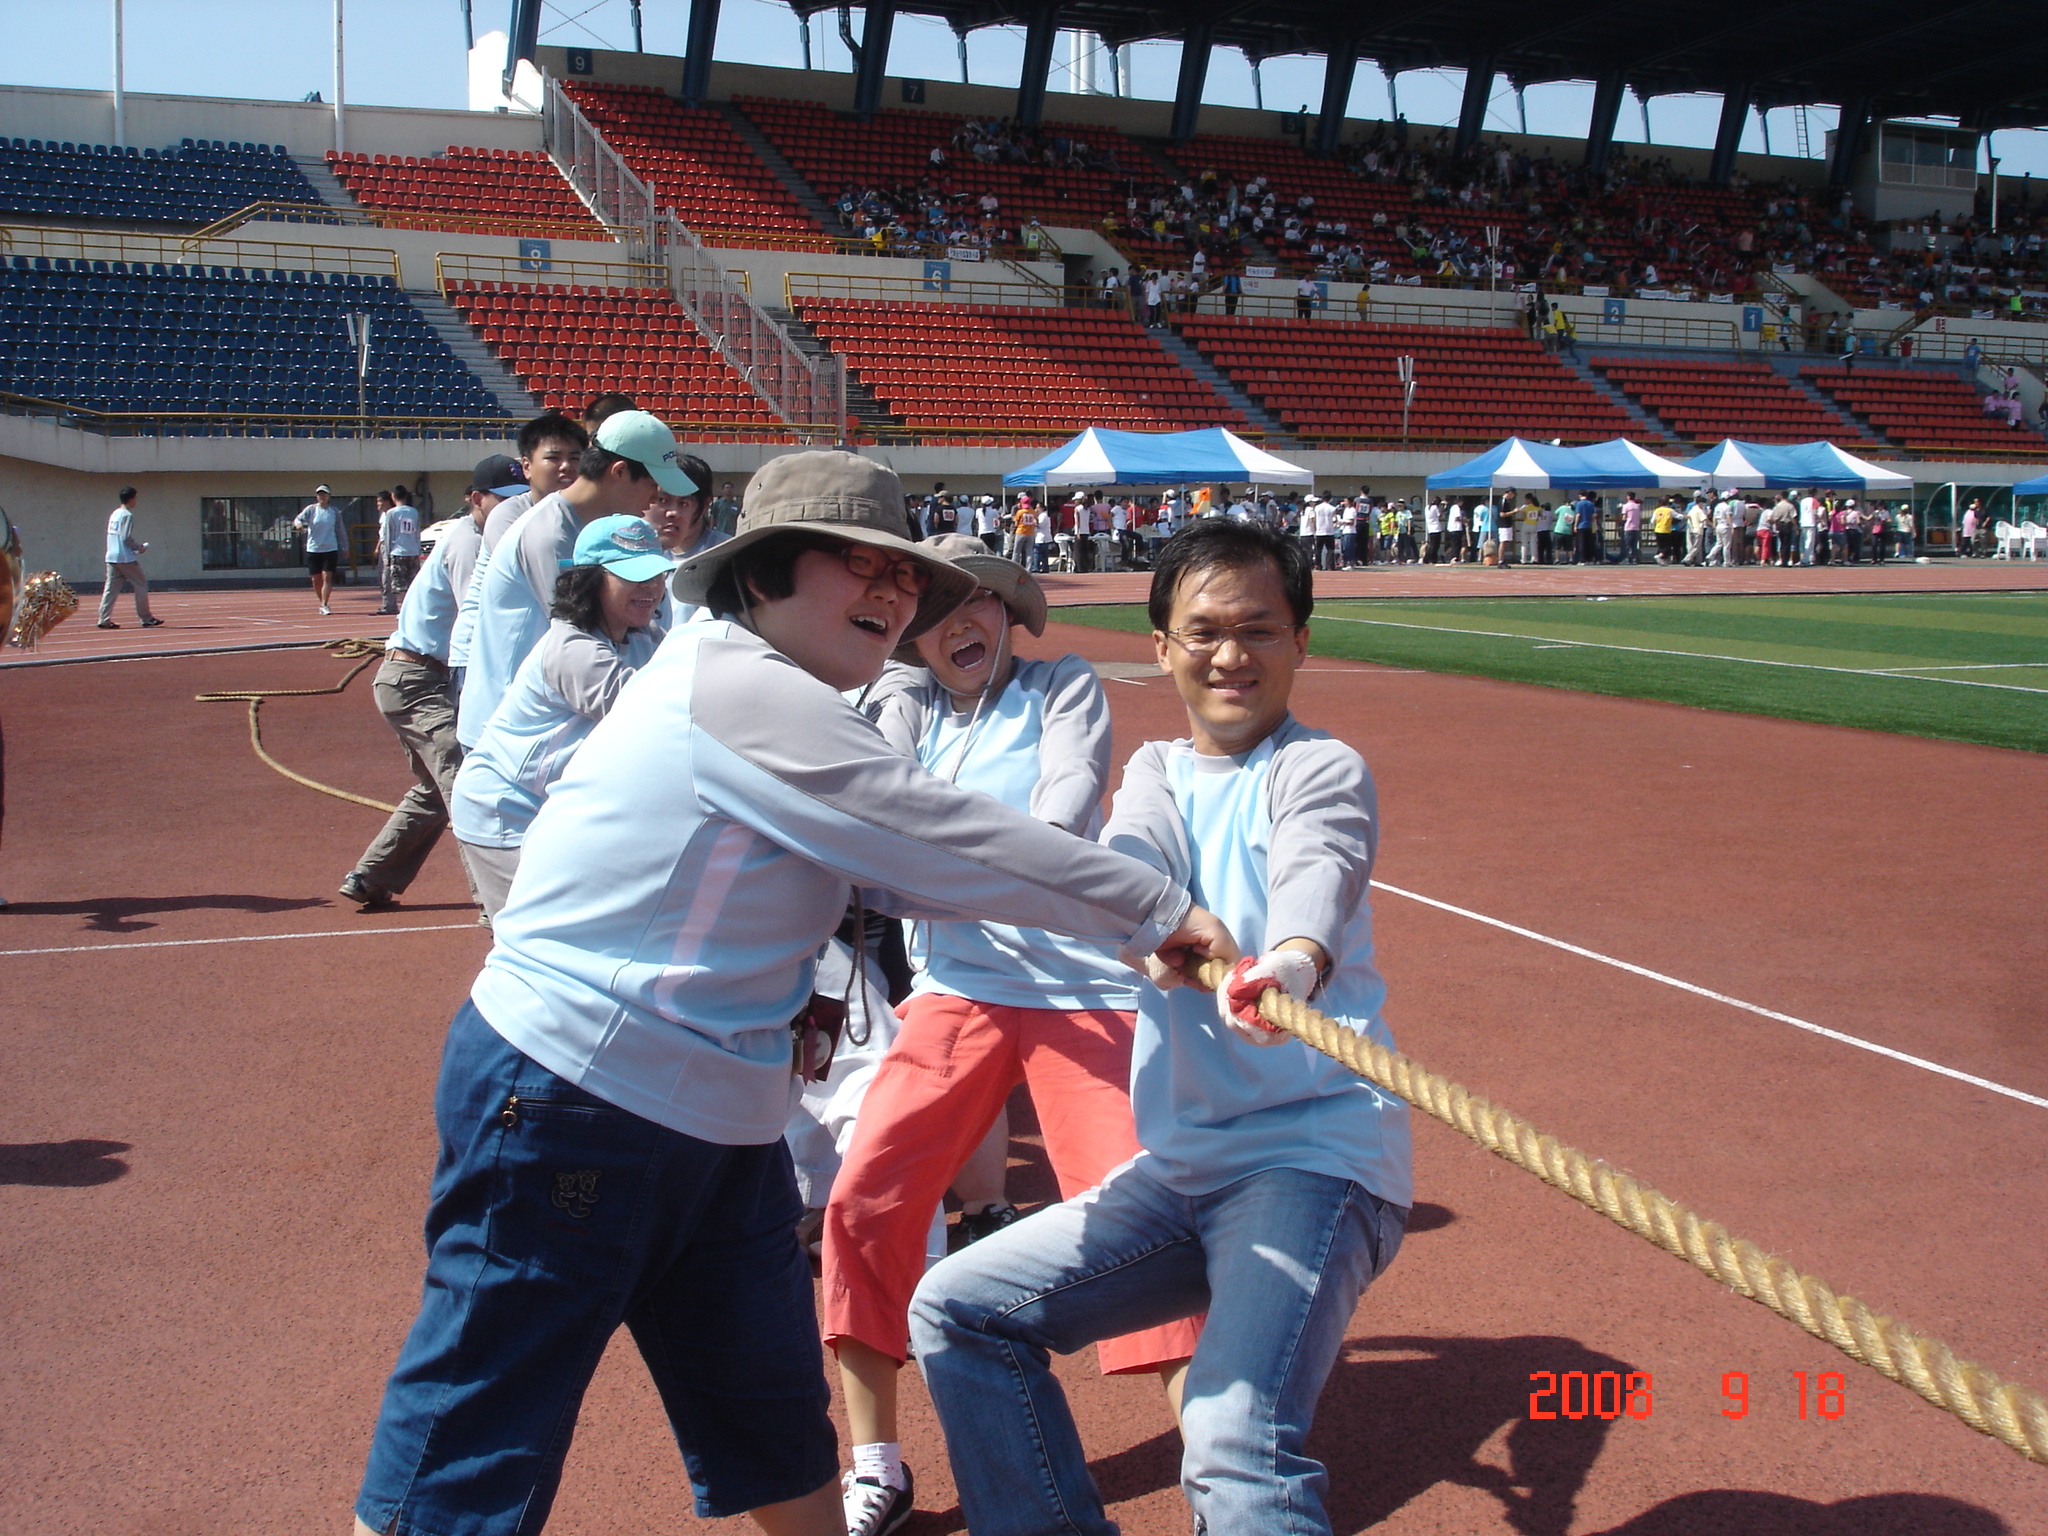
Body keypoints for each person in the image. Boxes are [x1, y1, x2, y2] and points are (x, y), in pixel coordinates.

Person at [351, 450, 1230, 1536]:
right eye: (855, 563)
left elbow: (876, 862)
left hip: (716, 1122)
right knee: (476, 1430)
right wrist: (1152, 910)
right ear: (759, 574)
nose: (893, 592)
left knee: (767, 1417)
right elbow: (930, 834)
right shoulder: (738, 685)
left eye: (901, 575)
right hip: (571, 1094)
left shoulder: (787, 694)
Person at [908, 519, 1411, 1536]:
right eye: (1203, 632)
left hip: (1312, 1156)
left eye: (1259, 630)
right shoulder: (1153, 770)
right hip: (1181, 1169)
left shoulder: (1318, 767)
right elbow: (1136, 858)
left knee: (1232, 1445)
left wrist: (1292, 964)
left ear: (1301, 642)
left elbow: (1320, 861)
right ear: (1161, 647)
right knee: (957, 1311)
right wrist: (1146, 926)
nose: (1230, 655)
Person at [824, 537, 1204, 1535]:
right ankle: (875, 1463)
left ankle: (1216, 1475)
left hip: (1081, 990)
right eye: (935, 607)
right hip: (960, 992)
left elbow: (1061, 813)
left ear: (1009, 615)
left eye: (979, 603)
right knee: (864, 1200)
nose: (959, 624)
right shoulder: (900, 706)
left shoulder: (1063, 686)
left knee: (1137, 1221)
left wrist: (918, 867)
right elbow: (869, 827)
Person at [449, 515, 670, 918]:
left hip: (554, 806)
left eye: (656, 575)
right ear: (590, 579)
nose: (651, 589)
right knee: (535, 933)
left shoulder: (644, 637)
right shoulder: (573, 648)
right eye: (634, 577)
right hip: (506, 805)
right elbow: (654, 721)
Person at [339, 455, 522, 912]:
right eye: (503, 502)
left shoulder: (485, 535)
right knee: (464, 778)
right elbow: (478, 622)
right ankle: (495, 904)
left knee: (432, 789)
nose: (512, 511)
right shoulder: (469, 542)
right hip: (415, 678)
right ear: (477, 500)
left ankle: (372, 875)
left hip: (423, 677)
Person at [457, 410, 694, 751]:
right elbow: (586, 629)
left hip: (548, 722)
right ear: (620, 471)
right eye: (653, 484)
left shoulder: (586, 526)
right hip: (508, 731)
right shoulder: (550, 534)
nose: (654, 498)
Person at [450, 412, 592, 687]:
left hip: (532, 651)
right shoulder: (510, 515)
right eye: (553, 458)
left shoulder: (574, 515)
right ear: (527, 466)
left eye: (575, 458)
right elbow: (557, 598)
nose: (567, 467)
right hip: (483, 656)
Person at [96, 486, 161, 629]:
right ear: (131, 499)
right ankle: (146, 617)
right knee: (141, 584)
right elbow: (126, 537)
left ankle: (103, 618)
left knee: (110, 589)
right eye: (135, 498)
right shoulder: (127, 515)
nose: (136, 501)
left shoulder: (115, 513)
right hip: (125, 558)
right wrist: (139, 547)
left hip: (111, 556)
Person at [295, 484, 345, 616]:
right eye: (319, 494)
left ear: (329, 496)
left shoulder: (334, 512)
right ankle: (321, 602)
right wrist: (299, 524)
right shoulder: (311, 510)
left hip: (330, 548)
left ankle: (324, 604)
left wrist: (345, 546)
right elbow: (298, 519)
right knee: (315, 579)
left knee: (327, 577)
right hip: (314, 548)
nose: (322, 497)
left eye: (324, 494)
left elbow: (341, 530)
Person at [377, 484, 424, 615]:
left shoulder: (391, 513)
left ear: (393, 496)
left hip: (398, 551)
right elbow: (417, 532)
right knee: (412, 583)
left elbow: (388, 535)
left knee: (399, 585)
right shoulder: (414, 512)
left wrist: (386, 556)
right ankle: (412, 609)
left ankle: (404, 610)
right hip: (413, 551)